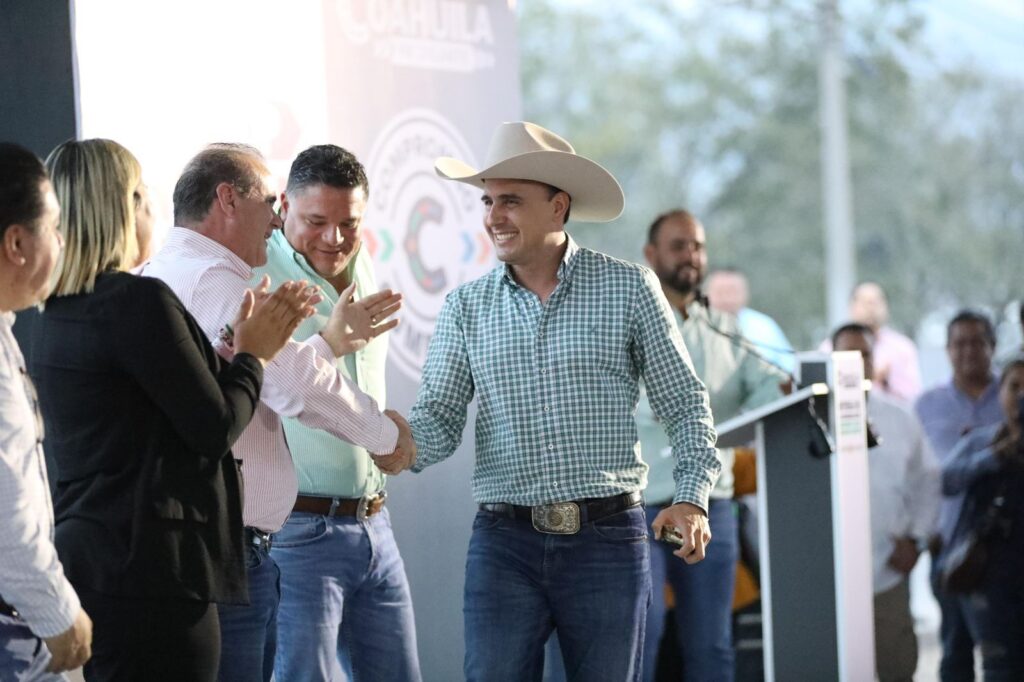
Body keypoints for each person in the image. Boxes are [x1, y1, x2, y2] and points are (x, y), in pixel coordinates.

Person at [395, 121, 719, 681]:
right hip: (504, 545)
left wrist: (691, 498)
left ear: (558, 207)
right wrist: (391, 440)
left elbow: (687, 406)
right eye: (488, 201)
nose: (493, 216)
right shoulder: (465, 307)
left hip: (607, 541)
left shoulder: (629, 288)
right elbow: (438, 421)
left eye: (511, 201)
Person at [30, 138, 313, 681]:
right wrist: (253, 354)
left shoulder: (56, 314)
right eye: (140, 193)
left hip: (89, 563)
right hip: (158, 573)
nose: (153, 208)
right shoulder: (140, 300)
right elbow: (215, 427)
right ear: (121, 208)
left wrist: (232, 354)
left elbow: (147, 414)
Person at [140, 143, 411, 682]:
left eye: (348, 223)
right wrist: (385, 436)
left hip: (228, 545)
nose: (275, 217)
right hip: (235, 545)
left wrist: (328, 346)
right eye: (269, 202)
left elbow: (265, 378)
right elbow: (294, 385)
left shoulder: (170, 270)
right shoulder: (215, 281)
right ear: (227, 200)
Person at [256, 145, 420, 681]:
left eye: (349, 223)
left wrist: (389, 430)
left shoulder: (361, 260)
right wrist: (330, 341)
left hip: (375, 523)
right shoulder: (256, 272)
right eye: (316, 222)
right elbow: (279, 385)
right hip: (298, 533)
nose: (334, 238)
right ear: (284, 207)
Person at [639, 210, 785, 682]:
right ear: (651, 254)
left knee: (712, 645)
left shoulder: (725, 328)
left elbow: (769, 388)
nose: (691, 255)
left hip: (709, 504)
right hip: (639, 503)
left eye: (698, 246)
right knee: (641, 636)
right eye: (679, 246)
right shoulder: (629, 320)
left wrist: (776, 397)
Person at [0, 142, 92, 679]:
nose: (61, 243)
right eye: (54, 228)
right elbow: (5, 501)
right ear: (16, 243)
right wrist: (57, 611)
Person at [832, 323, 940, 682]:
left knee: (898, 668)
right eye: (846, 355)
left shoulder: (900, 417)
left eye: (864, 354)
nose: (855, 363)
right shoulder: (810, 418)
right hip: (829, 577)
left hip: (887, 571)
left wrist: (917, 540)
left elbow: (927, 482)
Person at [914, 309, 1003, 681]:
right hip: (950, 544)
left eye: (977, 342)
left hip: (1007, 546)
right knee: (955, 648)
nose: (969, 351)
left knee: (1006, 653)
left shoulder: (1013, 394)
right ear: (948, 350)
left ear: (992, 346)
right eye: (959, 343)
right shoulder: (926, 405)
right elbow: (922, 477)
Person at [939, 355, 1024, 680]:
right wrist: (993, 457)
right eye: (1014, 387)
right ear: (1000, 392)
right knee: (999, 666)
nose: (1021, 397)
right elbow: (947, 480)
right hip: (991, 577)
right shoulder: (982, 440)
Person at [705, 266, 795, 373]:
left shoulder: (764, 327)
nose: (727, 299)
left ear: (745, 293)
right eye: (720, 292)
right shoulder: (697, 326)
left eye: (733, 292)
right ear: (706, 294)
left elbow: (789, 368)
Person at [844, 282, 922, 402]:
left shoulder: (902, 348)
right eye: (865, 302)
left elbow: (912, 397)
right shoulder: (831, 347)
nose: (871, 308)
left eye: (876, 302)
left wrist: (887, 379)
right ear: (852, 307)